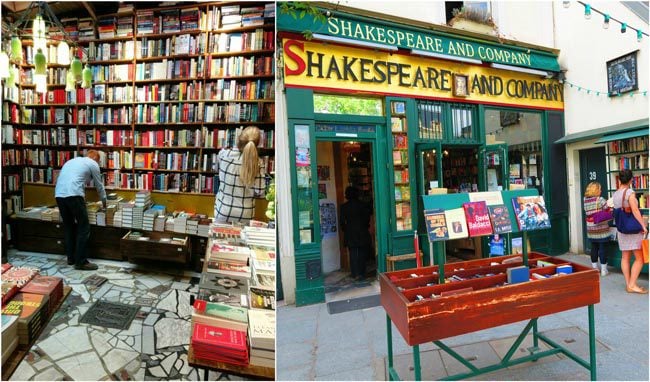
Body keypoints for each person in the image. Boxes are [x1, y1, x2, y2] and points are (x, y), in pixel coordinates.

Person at [55, 150, 107, 270]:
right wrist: (104, 202)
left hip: (59, 194)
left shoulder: (72, 161)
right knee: (84, 227)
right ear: (96, 159)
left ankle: (71, 258)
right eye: (99, 161)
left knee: (69, 226)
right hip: (74, 194)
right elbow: (99, 186)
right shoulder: (93, 164)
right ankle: (81, 261)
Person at [214, 126, 265, 223]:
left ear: (239, 139)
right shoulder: (258, 163)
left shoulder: (224, 154)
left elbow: (219, 170)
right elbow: (260, 191)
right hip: (245, 214)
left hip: (223, 211)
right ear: (257, 144)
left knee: (218, 237)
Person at [612, 170, 648, 293]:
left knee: (625, 257)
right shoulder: (630, 193)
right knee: (639, 259)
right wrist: (643, 226)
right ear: (631, 180)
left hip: (622, 229)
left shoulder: (616, 194)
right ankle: (632, 285)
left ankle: (629, 284)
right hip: (632, 230)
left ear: (620, 180)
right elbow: (635, 211)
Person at [340, 186, 372, 281]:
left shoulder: (344, 207)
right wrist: (365, 226)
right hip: (362, 231)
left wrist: (346, 229)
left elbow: (342, 222)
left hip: (350, 232)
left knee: (353, 253)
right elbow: (367, 219)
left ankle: (354, 273)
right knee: (362, 253)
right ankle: (362, 273)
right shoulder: (363, 205)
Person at [583, 181, 612, 276]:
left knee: (594, 248)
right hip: (601, 228)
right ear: (596, 190)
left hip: (591, 228)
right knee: (603, 249)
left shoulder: (585, 200)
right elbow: (608, 209)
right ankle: (604, 270)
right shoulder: (600, 200)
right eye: (599, 189)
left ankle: (594, 269)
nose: (601, 190)